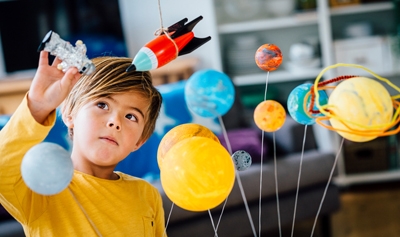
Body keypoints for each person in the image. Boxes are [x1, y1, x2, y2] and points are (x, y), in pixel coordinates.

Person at [0, 51, 167, 236]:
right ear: (69, 113)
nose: (115, 122)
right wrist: (38, 107)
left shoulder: (147, 195)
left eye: (131, 116)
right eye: (102, 105)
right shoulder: (42, 190)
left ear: (140, 141)